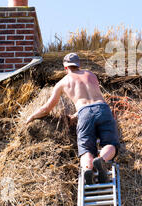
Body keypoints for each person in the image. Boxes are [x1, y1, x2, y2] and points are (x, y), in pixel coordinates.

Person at [26, 52, 120, 185]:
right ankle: (102, 160)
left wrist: (32, 116)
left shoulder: (62, 83)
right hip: (102, 108)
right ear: (78, 65)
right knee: (111, 144)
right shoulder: (91, 75)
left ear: (65, 68)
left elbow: (47, 108)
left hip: (84, 113)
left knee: (86, 149)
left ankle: (88, 169)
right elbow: (93, 100)